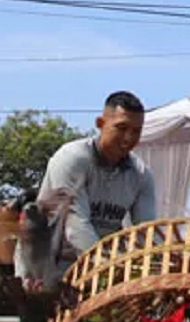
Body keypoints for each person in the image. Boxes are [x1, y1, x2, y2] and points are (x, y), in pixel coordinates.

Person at [36, 90, 158, 272]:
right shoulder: (72, 158)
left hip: (101, 269)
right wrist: (109, 269)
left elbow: (146, 233)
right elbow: (75, 227)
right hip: (51, 265)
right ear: (100, 124)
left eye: (136, 131)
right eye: (121, 128)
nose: (129, 138)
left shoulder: (141, 174)